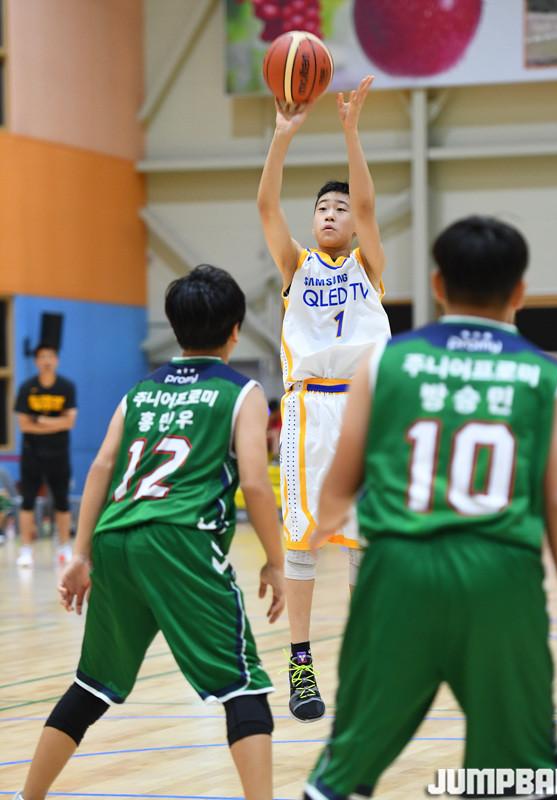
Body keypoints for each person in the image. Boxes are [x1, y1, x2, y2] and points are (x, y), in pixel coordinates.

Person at [304, 216, 557, 800]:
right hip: (500, 578)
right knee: (526, 775)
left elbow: (340, 480)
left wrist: (324, 529)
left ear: (438, 284)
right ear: (520, 291)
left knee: (343, 772)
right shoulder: (551, 378)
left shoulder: (385, 362)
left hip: (398, 574)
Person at [13, 266, 285, 800]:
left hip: (115, 538)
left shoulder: (140, 390)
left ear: (174, 327)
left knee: (91, 684)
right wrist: (276, 560)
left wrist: (80, 554)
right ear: (236, 330)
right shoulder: (243, 392)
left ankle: (27, 797)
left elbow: (101, 466)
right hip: (181, 541)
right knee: (244, 685)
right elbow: (255, 482)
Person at [257, 75, 391, 722]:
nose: (333, 214)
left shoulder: (367, 265)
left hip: (365, 408)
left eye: (340, 208)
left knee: (365, 542)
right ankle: (301, 665)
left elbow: (367, 205)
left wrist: (350, 132)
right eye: (323, 209)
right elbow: (266, 208)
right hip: (308, 409)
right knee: (303, 543)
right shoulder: (297, 267)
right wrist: (281, 138)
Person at [14, 344, 77, 567]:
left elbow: (70, 422)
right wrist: (56, 422)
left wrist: (40, 420)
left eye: (50, 356)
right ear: (36, 361)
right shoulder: (27, 388)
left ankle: (64, 547)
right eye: (42, 357)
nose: (46, 360)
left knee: (62, 501)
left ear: (56, 360)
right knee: (27, 501)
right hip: (32, 453)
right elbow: (24, 425)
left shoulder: (66, 387)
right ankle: (26, 549)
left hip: (59, 453)